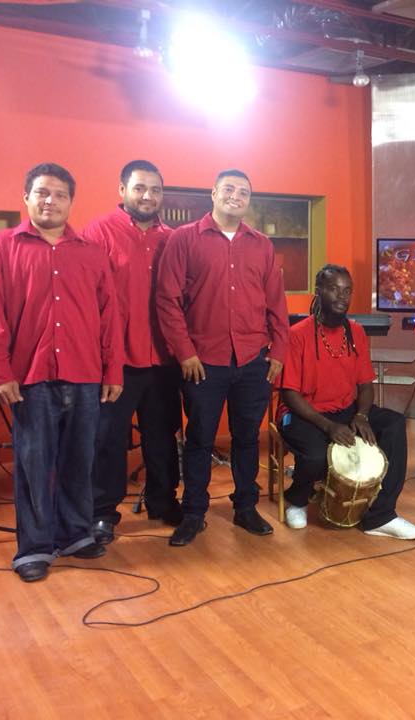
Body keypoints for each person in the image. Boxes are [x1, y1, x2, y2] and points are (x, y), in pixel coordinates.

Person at [0, 163, 123, 582]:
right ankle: (35, 547)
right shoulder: (3, 246)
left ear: (70, 202)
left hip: (84, 372)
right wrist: (0, 370)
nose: (51, 201)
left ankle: (75, 534)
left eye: (60, 195)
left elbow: (109, 315)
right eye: (42, 193)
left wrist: (112, 369)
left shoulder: (91, 252)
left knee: (80, 460)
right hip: (30, 375)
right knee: (35, 463)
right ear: (26, 197)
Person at [156, 169, 289, 546]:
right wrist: (185, 352)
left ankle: (245, 507)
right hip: (203, 361)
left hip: (252, 360)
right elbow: (167, 301)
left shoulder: (262, 245)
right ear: (213, 193)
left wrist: (278, 350)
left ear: (249, 200)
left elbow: (276, 303)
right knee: (200, 438)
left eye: (243, 191)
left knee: (247, 437)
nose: (235, 195)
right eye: (228, 189)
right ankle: (194, 512)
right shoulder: (184, 239)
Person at [277, 265, 415, 540]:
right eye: (334, 289)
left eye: (347, 291)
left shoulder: (356, 332)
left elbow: (365, 385)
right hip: (304, 413)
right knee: (316, 454)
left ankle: (380, 516)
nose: (341, 296)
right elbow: (289, 395)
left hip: (345, 409)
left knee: (393, 424)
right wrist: (328, 426)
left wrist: (362, 415)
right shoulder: (297, 334)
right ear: (319, 291)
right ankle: (297, 498)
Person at [84, 160, 183, 545]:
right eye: (140, 188)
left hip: (162, 358)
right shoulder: (98, 231)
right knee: (108, 439)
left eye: (155, 189)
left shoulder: (172, 238)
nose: (148, 196)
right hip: (116, 360)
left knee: (163, 435)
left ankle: (163, 500)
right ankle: (102, 512)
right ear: (122, 190)